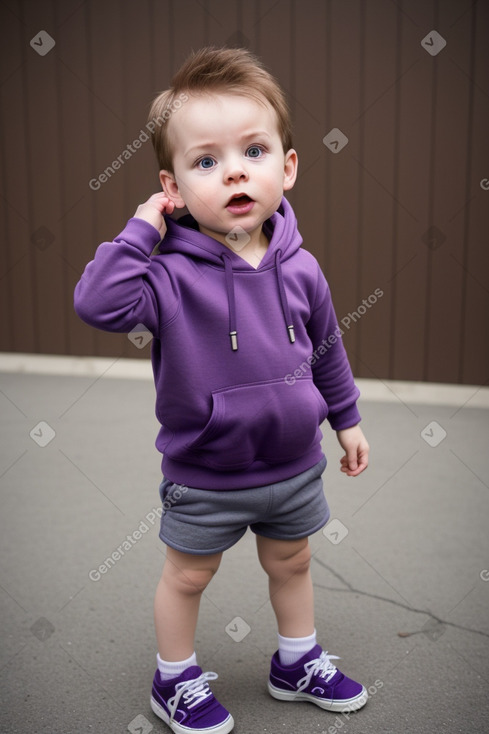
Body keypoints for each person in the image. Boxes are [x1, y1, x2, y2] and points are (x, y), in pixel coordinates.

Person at [74, 46, 370, 734]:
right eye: (204, 161)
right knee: (187, 577)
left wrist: (346, 419)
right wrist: (145, 226)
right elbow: (97, 302)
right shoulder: (165, 279)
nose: (233, 169)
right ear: (172, 186)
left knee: (291, 562)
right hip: (206, 472)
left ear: (287, 167)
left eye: (253, 150)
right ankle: (172, 679)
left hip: (293, 463)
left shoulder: (303, 270)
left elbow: (327, 349)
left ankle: (295, 660)